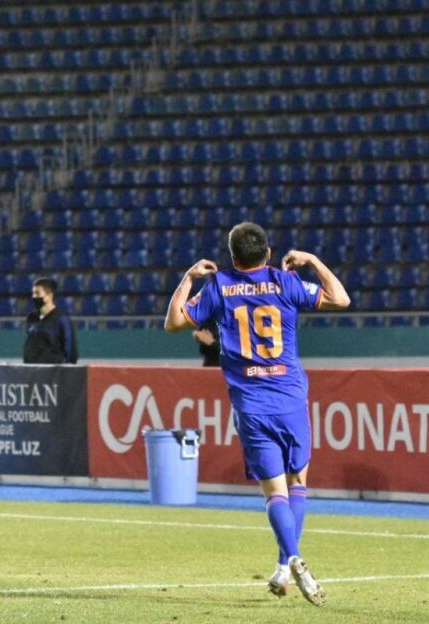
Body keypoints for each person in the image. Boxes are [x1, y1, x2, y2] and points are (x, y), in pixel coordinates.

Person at [164, 222, 350, 606]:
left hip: (251, 405)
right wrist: (313, 260)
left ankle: (290, 561)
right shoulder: (285, 282)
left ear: (232, 258)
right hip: (290, 399)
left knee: (274, 492)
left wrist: (188, 278)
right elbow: (341, 299)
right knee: (298, 482)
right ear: (268, 254)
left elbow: (174, 323)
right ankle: (284, 564)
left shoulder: (219, 287)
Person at [24, 277, 78, 364]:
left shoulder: (62, 320)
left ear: (49, 296)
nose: (33, 296)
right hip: (31, 370)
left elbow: (70, 352)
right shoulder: (32, 318)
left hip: (54, 371)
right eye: (33, 293)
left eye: (37, 293)